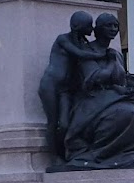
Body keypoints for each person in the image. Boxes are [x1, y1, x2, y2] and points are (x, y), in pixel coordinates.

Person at [55, 13, 134, 170]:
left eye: (115, 25)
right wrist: (110, 63)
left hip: (114, 95)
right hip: (94, 98)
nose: (113, 29)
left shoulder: (116, 54)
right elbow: (93, 78)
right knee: (128, 112)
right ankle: (101, 152)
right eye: (108, 25)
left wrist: (128, 83)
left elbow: (120, 79)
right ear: (98, 29)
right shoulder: (88, 50)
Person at [38, 10, 104, 159]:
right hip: (50, 85)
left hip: (65, 90)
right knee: (53, 122)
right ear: (77, 26)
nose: (92, 29)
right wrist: (101, 55)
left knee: (65, 125)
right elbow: (78, 54)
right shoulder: (63, 39)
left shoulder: (83, 43)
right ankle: (54, 157)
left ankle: (66, 155)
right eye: (89, 25)